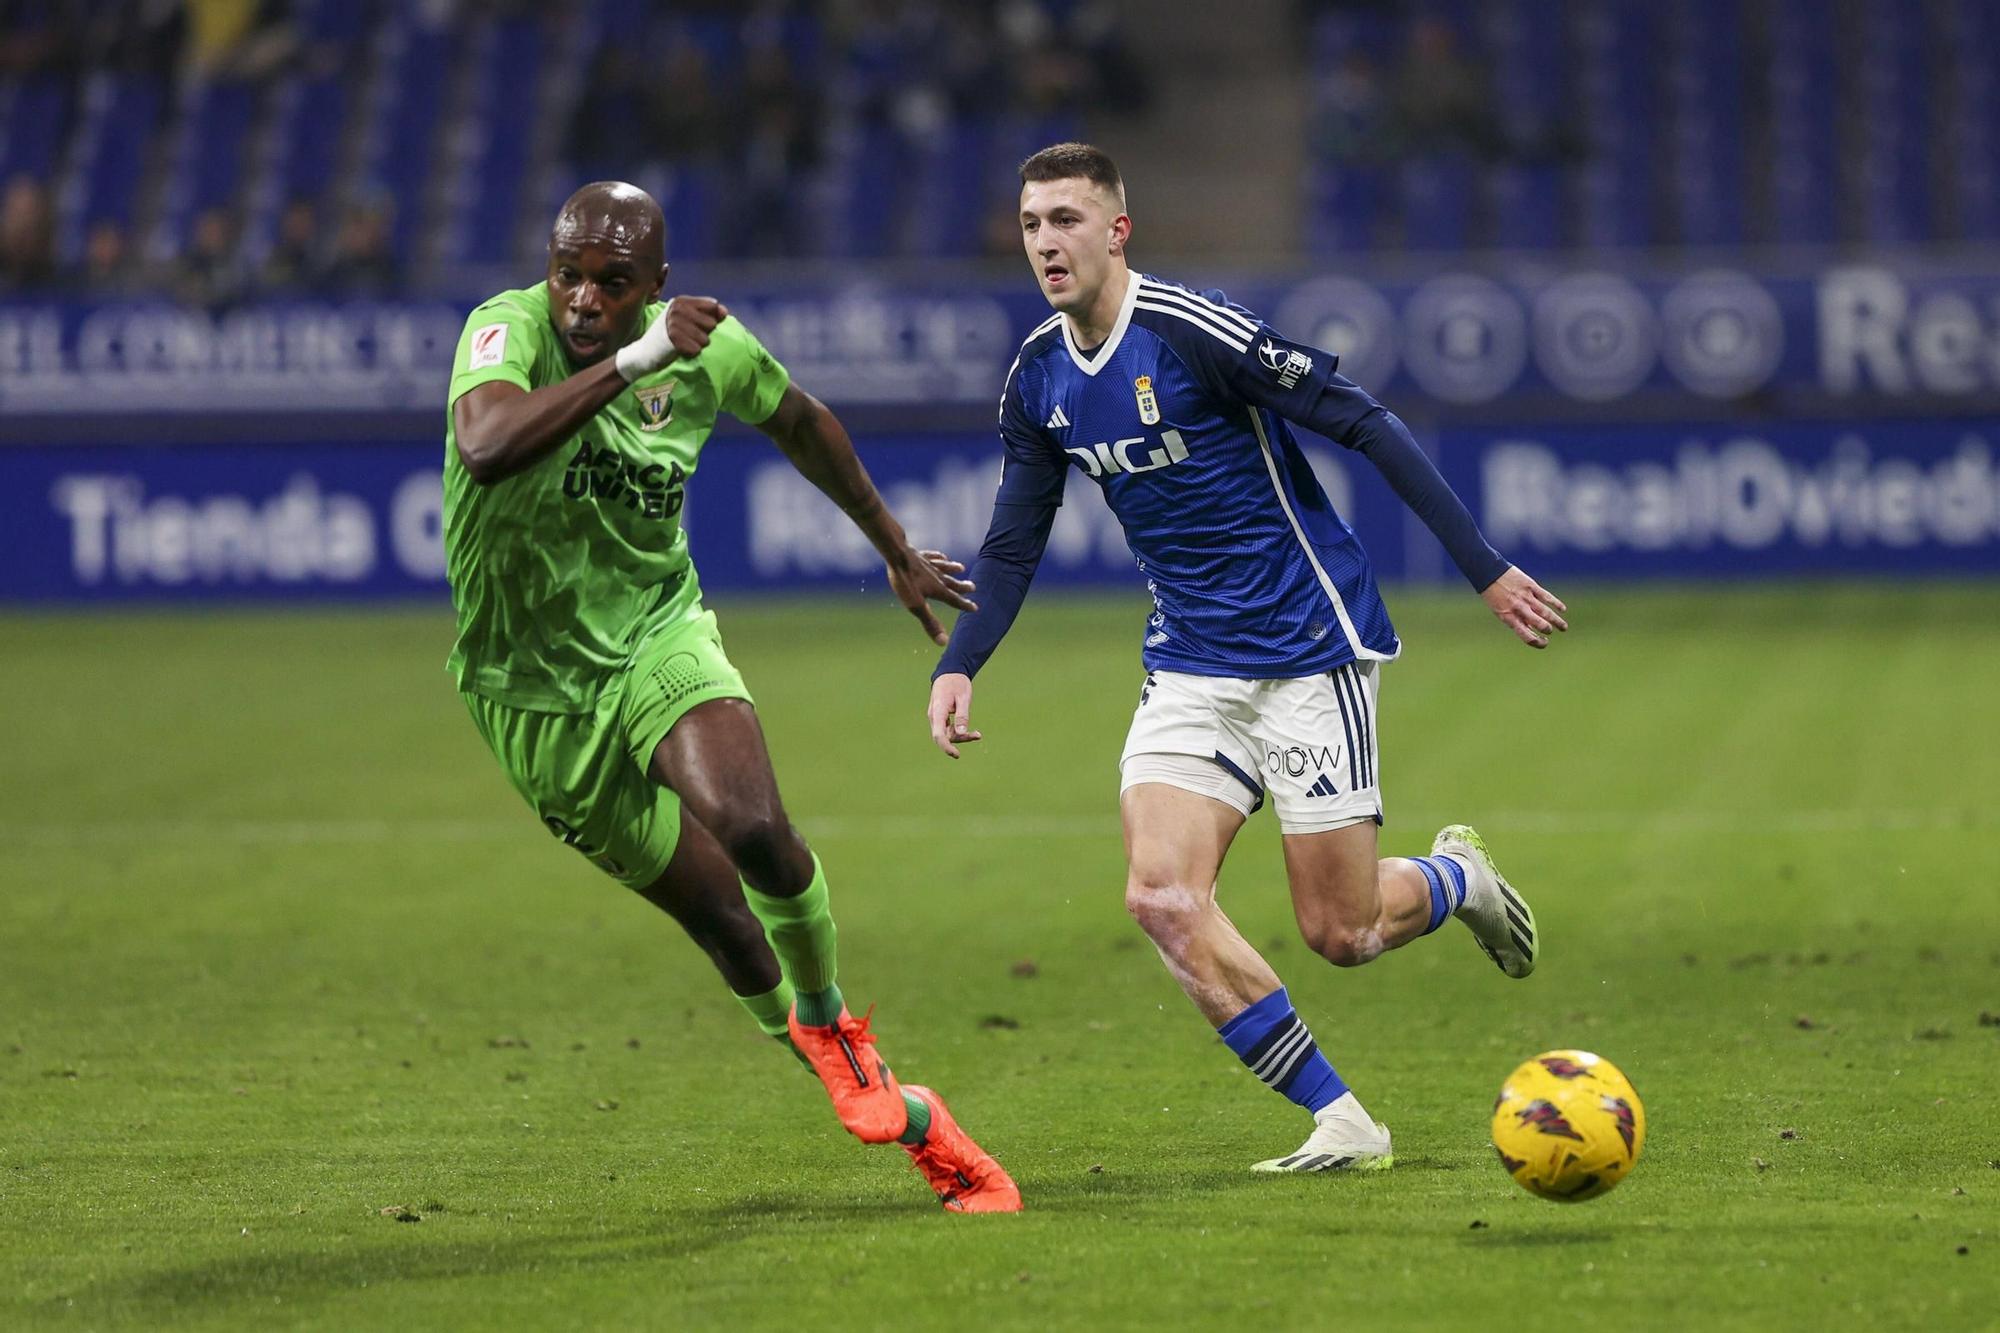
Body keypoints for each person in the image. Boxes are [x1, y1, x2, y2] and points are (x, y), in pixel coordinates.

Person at [926, 143, 1566, 1173]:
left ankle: (1457, 879)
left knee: (1341, 931)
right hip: (1188, 663)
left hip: (1307, 648)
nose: (1045, 241)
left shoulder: (1191, 331)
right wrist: (960, 662)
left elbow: (1362, 419)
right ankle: (1341, 1121)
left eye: (1066, 220)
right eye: (1032, 221)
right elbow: (1012, 537)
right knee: (1158, 895)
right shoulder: (1037, 376)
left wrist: (1482, 568)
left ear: (1115, 230)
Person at [445, 180, 1020, 1212]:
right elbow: (486, 448)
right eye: (568, 274)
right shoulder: (504, 330)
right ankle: (918, 1122)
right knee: (725, 924)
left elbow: (800, 419)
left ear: (656, 285)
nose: (582, 299)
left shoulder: (704, 345)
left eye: (612, 285)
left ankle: (835, 1026)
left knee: (752, 822)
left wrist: (892, 546)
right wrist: (638, 356)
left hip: (656, 630)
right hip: (530, 695)